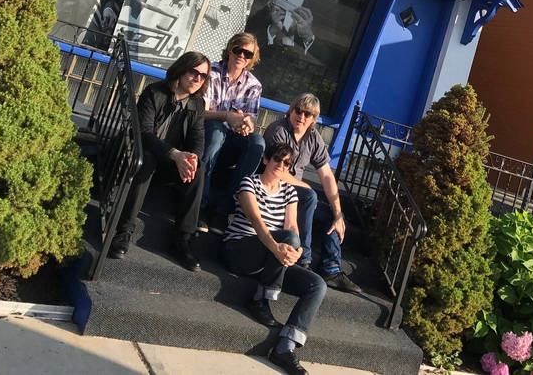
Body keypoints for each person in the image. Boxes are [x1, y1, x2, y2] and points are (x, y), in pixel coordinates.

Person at [223, 139, 327, 375]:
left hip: (271, 259)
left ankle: (285, 347)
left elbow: (292, 227)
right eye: (277, 159)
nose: (281, 165)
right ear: (266, 160)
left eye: (287, 163)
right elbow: (257, 222)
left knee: (317, 285)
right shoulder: (249, 182)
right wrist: (278, 247)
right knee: (288, 239)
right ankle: (261, 298)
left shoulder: (289, 191)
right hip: (239, 250)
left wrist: (296, 252)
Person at [108, 51, 210, 271]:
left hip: (167, 165)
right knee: (148, 159)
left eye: (203, 76)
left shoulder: (198, 105)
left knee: (199, 168)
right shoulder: (154, 92)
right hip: (137, 156)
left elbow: (198, 141)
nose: (197, 79)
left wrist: (191, 158)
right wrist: (175, 154)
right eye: (194, 72)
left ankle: (182, 240)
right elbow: (143, 133)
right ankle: (123, 231)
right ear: (181, 70)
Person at [263, 93, 361, 293]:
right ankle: (303, 261)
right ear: (291, 110)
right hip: (273, 191)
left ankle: (331, 269)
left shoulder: (313, 137)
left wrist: (338, 213)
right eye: (298, 110)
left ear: (314, 119)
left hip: (297, 195)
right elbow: (277, 171)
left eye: (307, 114)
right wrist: (306, 188)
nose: (301, 116)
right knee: (309, 196)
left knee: (331, 215)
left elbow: (326, 175)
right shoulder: (278, 130)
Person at [201, 32, 266, 232]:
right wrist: (226, 116)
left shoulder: (254, 85)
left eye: (248, 54)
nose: (242, 56)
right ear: (230, 49)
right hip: (208, 133)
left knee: (258, 143)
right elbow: (200, 113)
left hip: (234, 139)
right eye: (238, 50)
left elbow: (251, 118)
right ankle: (200, 205)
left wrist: (247, 123)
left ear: (252, 59)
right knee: (217, 132)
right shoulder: (211, 72)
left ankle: (224, 210)